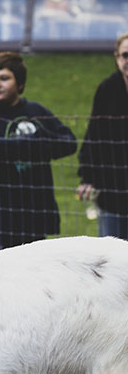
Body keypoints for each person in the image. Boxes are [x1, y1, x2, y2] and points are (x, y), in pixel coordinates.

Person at [0, 52, 77, 252]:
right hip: (1, 210)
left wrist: (36, 144)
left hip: (36, 206)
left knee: (40, 263)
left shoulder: (36, 112)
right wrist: (24, 145)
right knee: (3, 267)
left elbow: (68, 141)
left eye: (4, 78)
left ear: (20, 83)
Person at [77, 32, 128, 239]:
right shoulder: (107, 89)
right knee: (113, 254)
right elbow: (94, 133)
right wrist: (88, 177)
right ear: (116, 57)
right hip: (112, 186)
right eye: (125, 55)